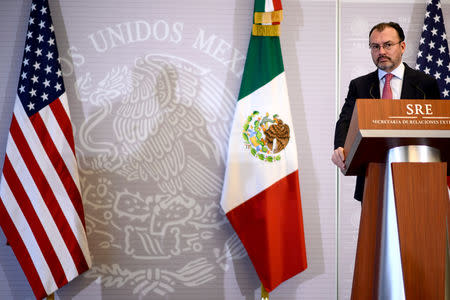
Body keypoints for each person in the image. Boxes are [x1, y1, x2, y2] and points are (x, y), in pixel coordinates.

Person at [331, 22, 441, 201]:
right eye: (375, 46)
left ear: (402, 46)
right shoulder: (360, 86)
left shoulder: (425, 84)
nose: (381, 52)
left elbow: (438, 127)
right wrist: (340, 147)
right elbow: (345, 121)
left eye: (388, 45)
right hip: (372, 179)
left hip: (419, 180)